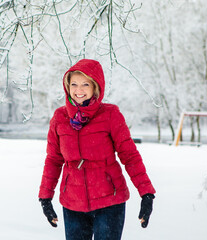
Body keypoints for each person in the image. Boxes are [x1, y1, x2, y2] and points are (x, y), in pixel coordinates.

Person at [38, 59, 156, 240]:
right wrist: (45, 197)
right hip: (73, 202)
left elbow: (129, 155)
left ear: (96, 87)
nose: (79, 90)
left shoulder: (110, 114)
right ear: (67, 86)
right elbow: (53, 159)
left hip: (109, 200)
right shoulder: (60, 117)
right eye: (74, 84)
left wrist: (146, 193)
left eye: (85, 84)